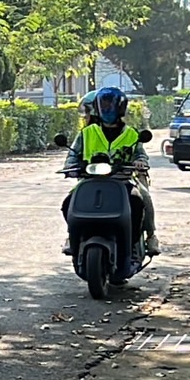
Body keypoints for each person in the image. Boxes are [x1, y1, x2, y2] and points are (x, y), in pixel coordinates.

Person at [63, 86, 159, 255]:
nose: (107, 110)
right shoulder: (86, 133)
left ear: (120, 108)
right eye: (104, 105)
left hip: (124, 181)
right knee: (68, 203)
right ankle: (72, 236)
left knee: (141, 200)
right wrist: (70, 167)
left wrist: (139, 162)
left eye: (111, 105)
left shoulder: (131, 134)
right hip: (89, 181)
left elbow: (141, 155)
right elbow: (73, 154)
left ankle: (144, 239)